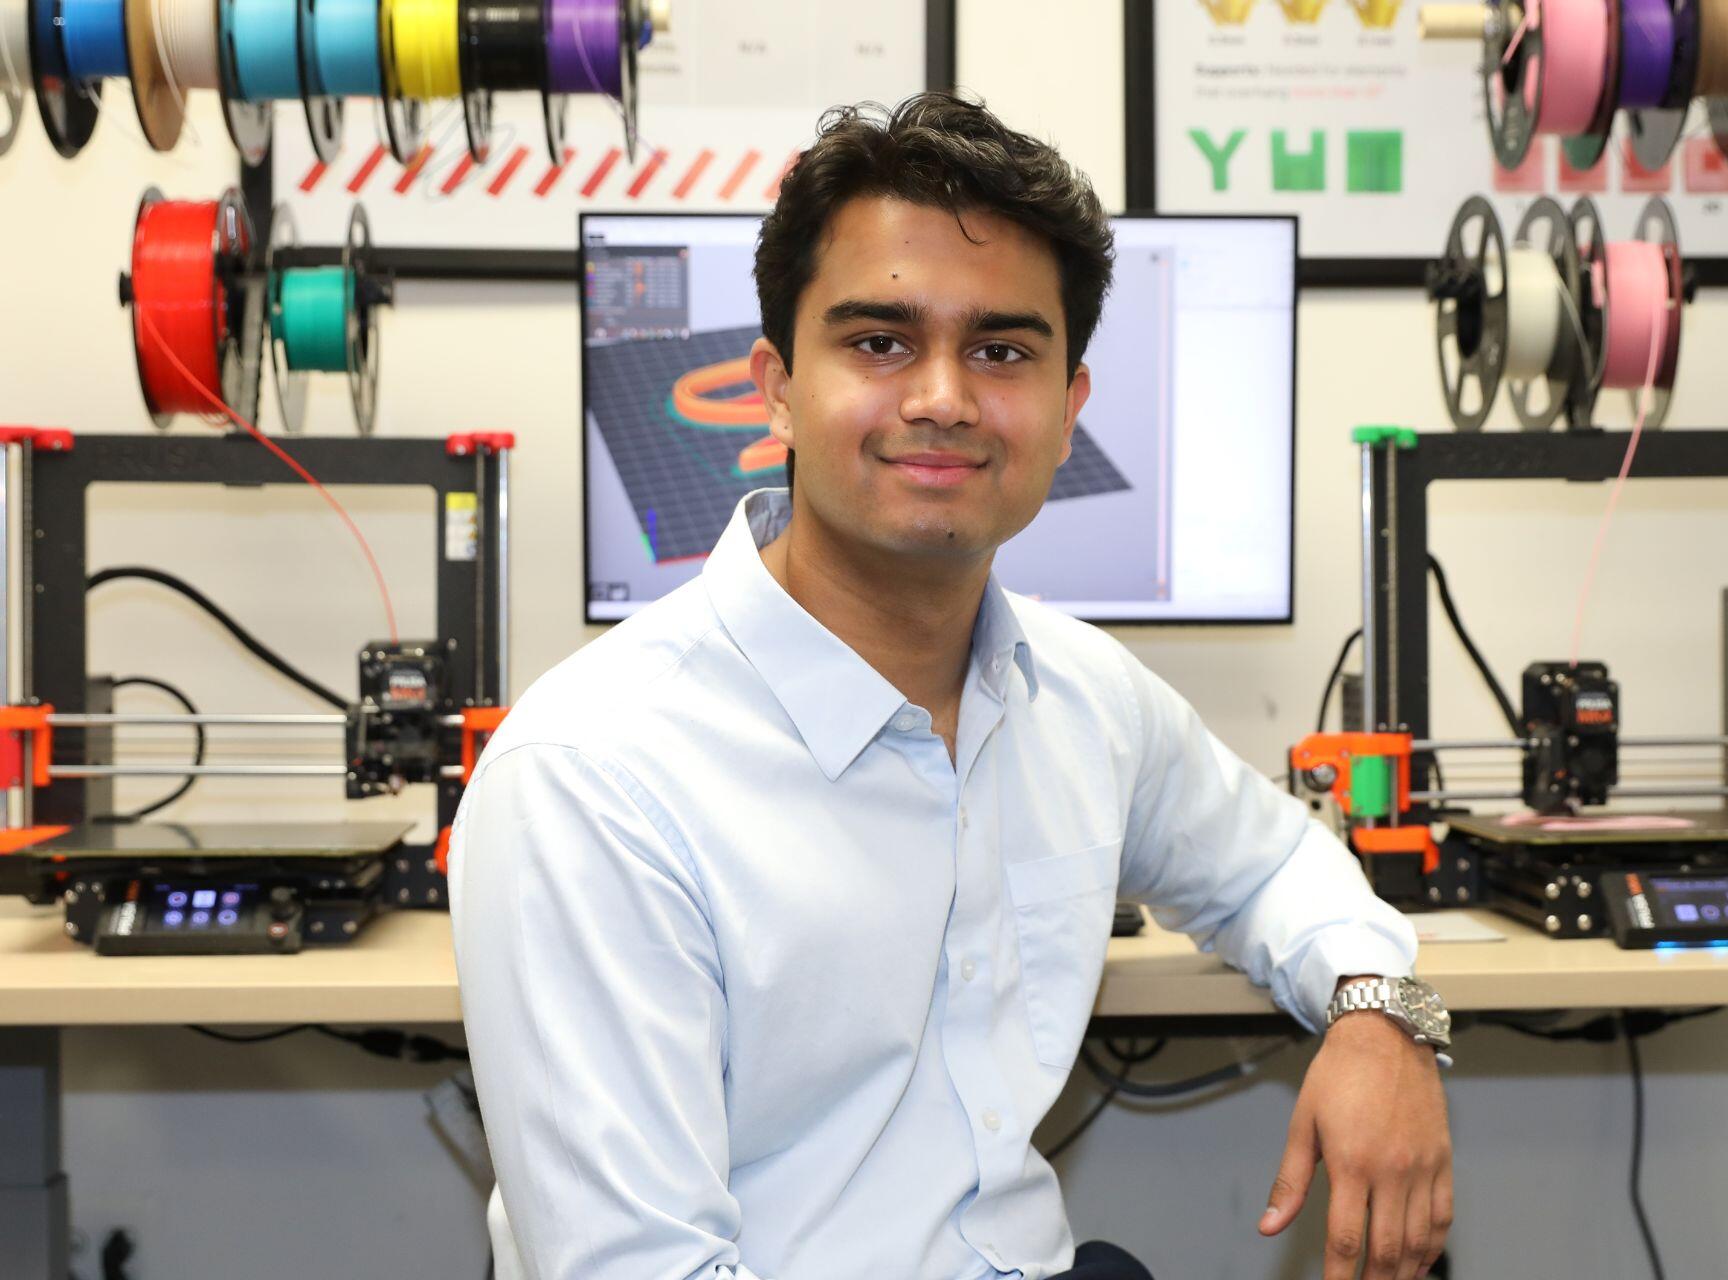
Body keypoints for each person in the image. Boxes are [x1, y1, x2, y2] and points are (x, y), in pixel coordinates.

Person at [451, 91, 1452, 1280]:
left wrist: (1380, 1012)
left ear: (1070, 408)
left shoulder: (1079, 694)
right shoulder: (591, 778)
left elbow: (1277, 864)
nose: (943, 395)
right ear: (773, 384)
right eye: (879, 341)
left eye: (1002, 350)